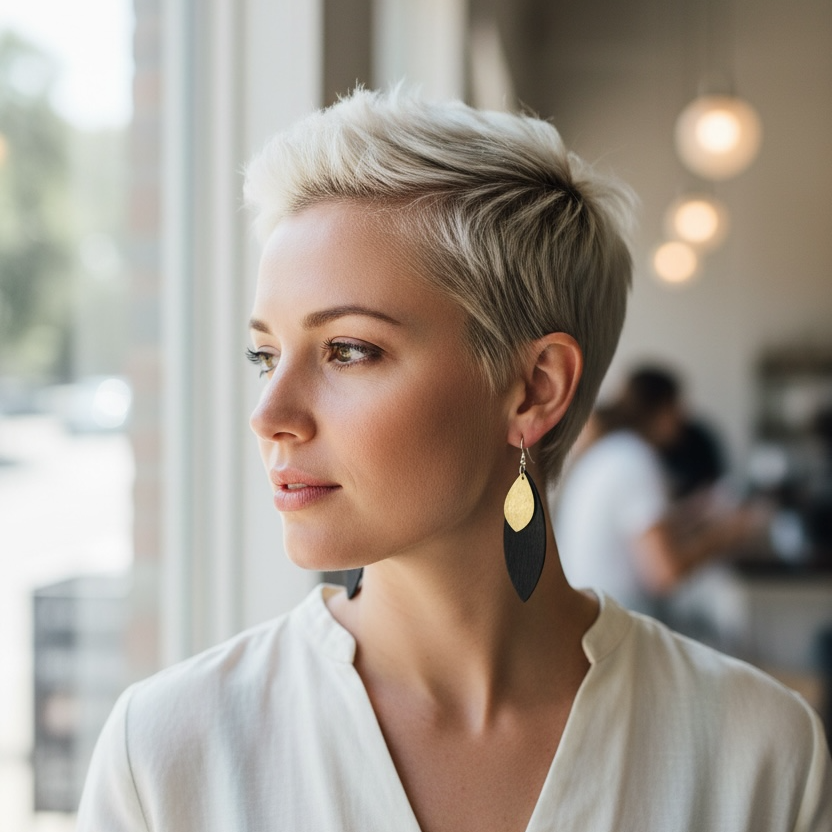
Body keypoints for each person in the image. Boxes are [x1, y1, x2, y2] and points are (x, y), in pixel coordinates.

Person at [77, 88, 831, 831]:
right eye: (264, 355)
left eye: (348, 350)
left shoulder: (757, 757)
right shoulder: (169, 756)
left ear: (534, 389)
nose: (267, 415)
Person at [555, 367, 751, 617]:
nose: (684, 417)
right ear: (663, 411)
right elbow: (665, 575)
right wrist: (724, 536)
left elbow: (639, 534)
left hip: (588, 613)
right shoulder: (635, 459)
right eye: (679, 407)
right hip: (614, 621)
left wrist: (693, 515)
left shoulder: (609, 452)